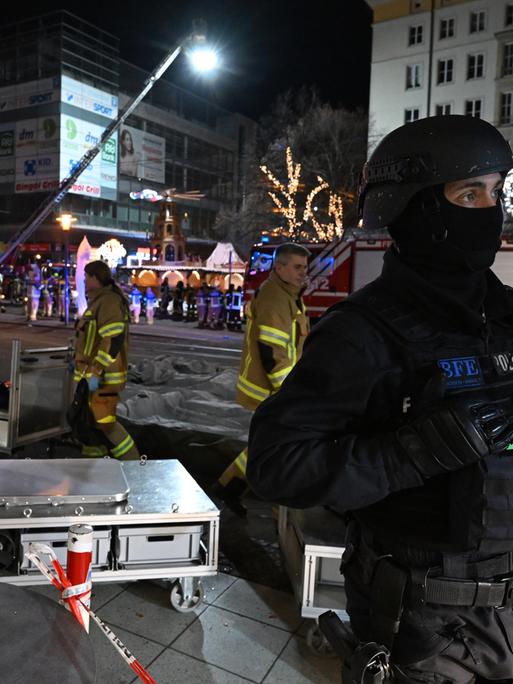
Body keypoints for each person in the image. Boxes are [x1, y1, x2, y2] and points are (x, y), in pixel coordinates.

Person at [246, 115, 513, 684]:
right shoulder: (363, 332)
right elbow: (276, 466)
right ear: (411, 208)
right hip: (423, 629)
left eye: (496, 191)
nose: (491, 210)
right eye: (470, 193)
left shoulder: (509, 317)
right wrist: (412, 452)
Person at [214, 242, 310, 514]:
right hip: (271, 388)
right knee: (279, 444)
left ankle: (227, 488)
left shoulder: (289, 295)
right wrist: (287, 391)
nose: (303, 272)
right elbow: (271, 350)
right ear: (278, 267)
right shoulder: (276, 298)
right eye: (297, 267)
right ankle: (273, 502)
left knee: (268, 444)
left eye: (305, 267)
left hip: (277, 387)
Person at [73, 260, 139, 460]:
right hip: (94, 377)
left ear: (95, 278)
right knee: (91, 424)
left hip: (103, 378)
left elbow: (112, 340)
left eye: (86, 276)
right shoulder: (100, 300)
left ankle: (135, 465)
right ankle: (92, 469)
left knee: (106, 424)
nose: (84, 280)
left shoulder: (108, 301)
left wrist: (96, 371)